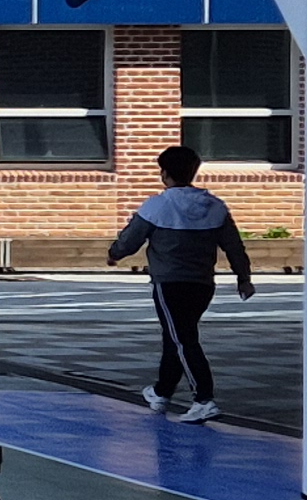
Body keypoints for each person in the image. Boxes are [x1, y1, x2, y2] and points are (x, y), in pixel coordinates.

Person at [109, 145, 257, 425]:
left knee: (182, 340)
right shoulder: (214, 206)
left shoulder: (158, 205)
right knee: (177, 336)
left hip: (169, 282)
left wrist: (114, 253)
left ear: (164, 173)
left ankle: (203, 399)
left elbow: (131, 239)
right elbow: (234, 246)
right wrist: (243, 277)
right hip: (202, 283)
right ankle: (162, 391)